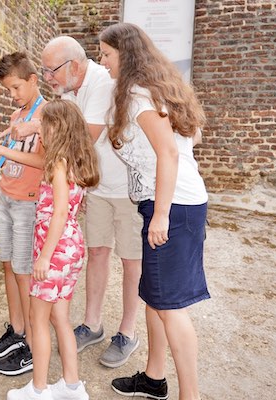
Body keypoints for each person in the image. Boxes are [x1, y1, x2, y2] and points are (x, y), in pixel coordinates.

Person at [99, 22, 210, 400]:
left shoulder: (138, 94)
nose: (103, 61)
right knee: (157, 297)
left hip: (172, 208)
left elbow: (168, 151)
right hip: (180, 203)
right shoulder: (160, 89)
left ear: (125, 55)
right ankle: (154, 377)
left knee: (172, 307)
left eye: (106, 54)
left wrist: (160, 214)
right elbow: (192, 135)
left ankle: (189, 396)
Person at [41, 36, 143, 368]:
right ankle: (93, 324)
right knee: (97, 253)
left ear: (73, 64)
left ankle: (127, 331)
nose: (48, 78)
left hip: (127, 187)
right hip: (98, 188)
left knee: (131, 261)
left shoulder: (100, 81)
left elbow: (87, 135)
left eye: (50, 71)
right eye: (43, 72)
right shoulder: (69, 91)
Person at [6, 99, 99, 400]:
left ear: (56, 128)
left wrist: (44, 257)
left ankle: (38, 390)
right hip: (71, 247)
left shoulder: (59, 164)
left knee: (39, 319)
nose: (39, 130)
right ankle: (72, 386)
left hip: (55, 251)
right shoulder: (72, 160)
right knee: (60, 318)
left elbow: (59, 212)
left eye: (44, 125)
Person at [0, 52, 46, 377]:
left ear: (33, 80)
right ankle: (18, 331)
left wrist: (2, 149)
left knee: (24, 273)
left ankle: (34, 348)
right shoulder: (16, 114)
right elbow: (11, 159)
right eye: (9, 90)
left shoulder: (47, 114)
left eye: (17, 87)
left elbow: (46, 163)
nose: (13, 95)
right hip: (6, 197)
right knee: (8, 265)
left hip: (27, 204)